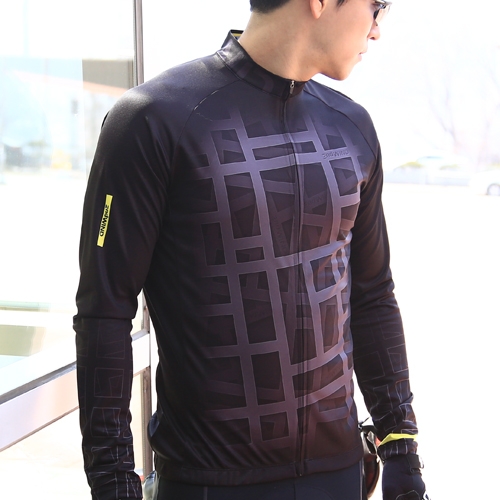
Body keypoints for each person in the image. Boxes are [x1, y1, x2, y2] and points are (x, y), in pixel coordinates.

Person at [74, 1, 430, 499]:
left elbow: (371, 296)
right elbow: (104, 313)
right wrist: (113, 483)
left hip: (339, 476)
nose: (376, 30)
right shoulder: (153, 120)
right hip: (206, 484)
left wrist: (401, 448)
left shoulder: (351, 127)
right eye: (377, 6)